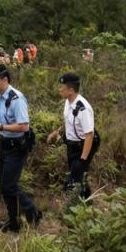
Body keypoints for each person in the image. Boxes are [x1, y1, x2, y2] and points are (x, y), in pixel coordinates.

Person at [0, 64, 41, 231]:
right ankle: (14, 222)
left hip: (17, 147)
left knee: (9, 185)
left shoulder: (16, 98)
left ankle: (33, 213)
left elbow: (24, 126)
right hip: (3, 145)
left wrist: (2, 128)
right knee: (5, 186)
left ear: (5, 79)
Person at [46, 73, 97, 201]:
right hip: (72, 145)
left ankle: (79, 204)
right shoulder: (68, 102)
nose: (59, 89)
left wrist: (83, 159)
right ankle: (85, 201)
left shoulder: (83, 108)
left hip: (83, 145)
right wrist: (56, 132)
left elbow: (89, 135)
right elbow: (69, 120)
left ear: (71, 90)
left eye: (62, 87)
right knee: (78, 175)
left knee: (77, 176)